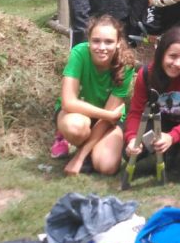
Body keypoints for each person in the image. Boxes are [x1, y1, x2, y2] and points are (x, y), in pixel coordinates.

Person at [55, 14, 137, 176]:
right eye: (96, 41)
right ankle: (71, 140)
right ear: (89, 41)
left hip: (107, 122)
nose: (102, 47)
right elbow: (68, 102)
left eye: (108, 42)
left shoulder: (126, 65)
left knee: (107, 167)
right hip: (78, 115)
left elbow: (107, 121)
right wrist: (108, 114)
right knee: (75, 127)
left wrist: (79, 158)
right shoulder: (79, 53)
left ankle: (84, 153)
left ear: (118, 43)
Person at [124, 26, 180, 171]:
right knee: (130, 152)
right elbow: (136, 112)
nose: (177, 64)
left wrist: (172, 137)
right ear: (161, 53)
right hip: (162, 121)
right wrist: (132, 138)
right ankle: (170, 149)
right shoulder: (146, 74)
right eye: (172, 56)